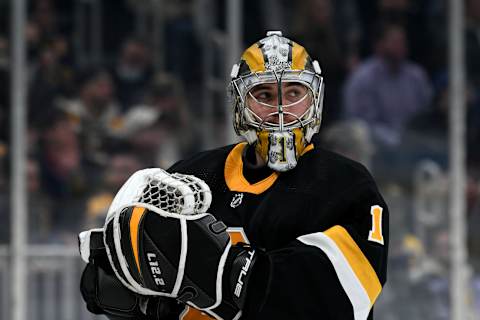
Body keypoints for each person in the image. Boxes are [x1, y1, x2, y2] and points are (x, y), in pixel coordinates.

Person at [79, 31, 389, 320]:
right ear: (240, 104)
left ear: (315, 99)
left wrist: (228, 272)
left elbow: (346, 298)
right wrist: (132, 290)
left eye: (294, 92)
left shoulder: (346, 186)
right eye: (264, 95)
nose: (280, 110)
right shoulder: (189, 176)